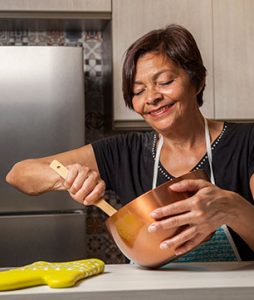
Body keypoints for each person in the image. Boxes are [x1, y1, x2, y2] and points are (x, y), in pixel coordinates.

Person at [6, 24, 254, 262]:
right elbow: (19, 174)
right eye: (138, 91)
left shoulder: (247, 142)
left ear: (197, 81)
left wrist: (233, 209)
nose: (152, 98)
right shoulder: (125, 152)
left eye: (165, 82)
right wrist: (70, 177)